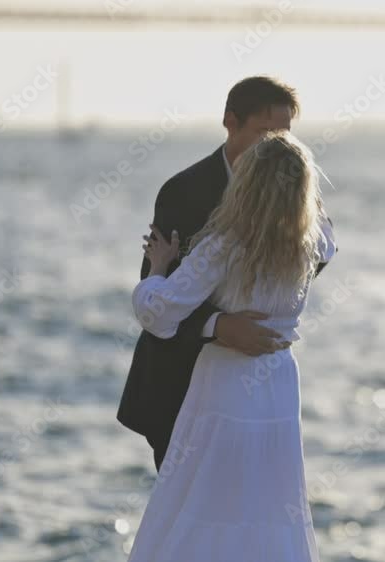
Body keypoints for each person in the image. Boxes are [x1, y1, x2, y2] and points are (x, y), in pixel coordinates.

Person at [125, 130, 334, 561]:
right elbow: (328, 232)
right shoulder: (310, 245)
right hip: (277, 387)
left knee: (207, 500)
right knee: (268, 502)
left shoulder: (225, 248)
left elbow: (157, 314)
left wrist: (158, 269)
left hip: (224, 384)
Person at [116, 76, 336, 471]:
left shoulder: (298, 194)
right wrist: (217, 324)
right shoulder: (183, 191)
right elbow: (160, 288)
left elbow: (314, 258)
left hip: (259, 385)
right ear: (230, 122)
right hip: (179, 382)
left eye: (285, 133)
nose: (278, 145)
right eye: (267, 132)